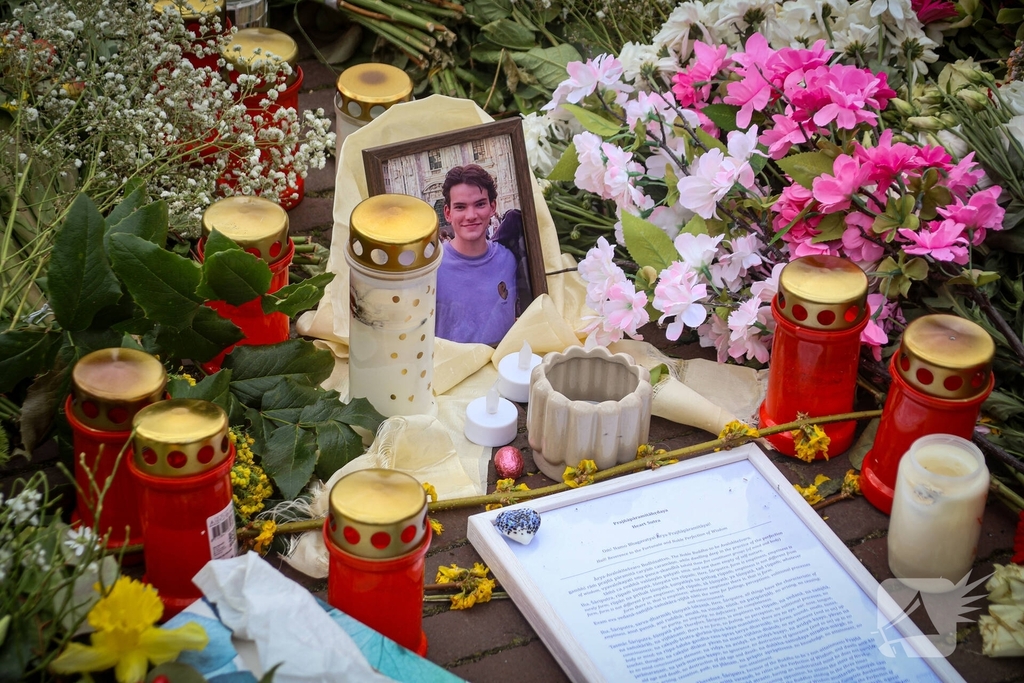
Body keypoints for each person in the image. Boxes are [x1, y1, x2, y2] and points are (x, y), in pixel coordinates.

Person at [435, 164, 517, 345]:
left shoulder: (509, 260)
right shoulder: (432, 268)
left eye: (479, 204)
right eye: (460, 207)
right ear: (448, 213)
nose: (471, 215)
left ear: (492, 207)